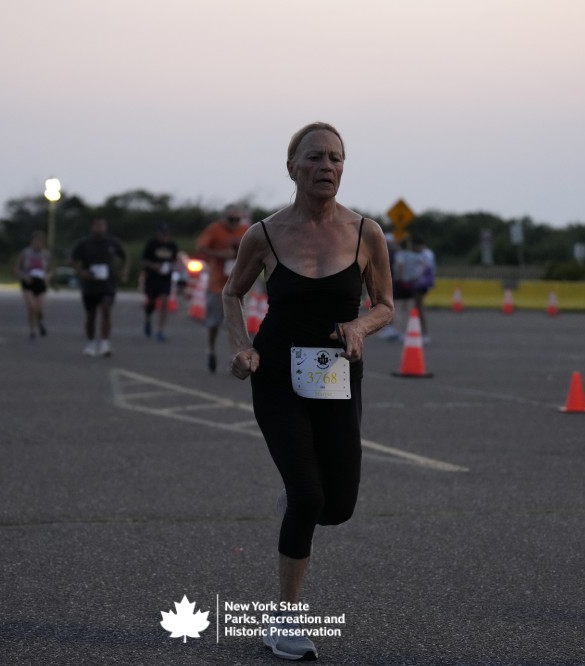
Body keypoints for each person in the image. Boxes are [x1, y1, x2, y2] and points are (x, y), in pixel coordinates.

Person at [223, 122, 393, 661]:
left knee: (337, 505)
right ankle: (284, 619)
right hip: (277, 373)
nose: (327, 167)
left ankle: (300, 498)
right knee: (308, 495)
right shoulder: (265, 234)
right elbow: (232, 293)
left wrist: (360, 326)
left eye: (336, 158)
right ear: (292, 166)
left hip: (337, 375)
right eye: (315, 157)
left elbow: (386, 305)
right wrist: (243, 348)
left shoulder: (366, 232)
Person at [197, 204, 249, 372]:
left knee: (235, 323)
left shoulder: (245, 230)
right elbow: (201, 248)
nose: (234, 223)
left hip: (238, 284)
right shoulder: (214, 229)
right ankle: (211, 350)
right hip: (217, 285)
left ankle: (234, 356)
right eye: (231, 219)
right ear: (224, 218)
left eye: (237, 219)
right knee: (213, 322)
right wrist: (220, 254)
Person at [71, 218, 128, 357]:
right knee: (91, 315)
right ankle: (90, 343)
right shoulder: (84, 244)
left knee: (106, 309)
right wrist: (82, 272)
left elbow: (125, 256)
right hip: (90, 284)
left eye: (102, 225)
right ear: (92, 227)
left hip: (107, 284)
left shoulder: (112, 243)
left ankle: (105, 343)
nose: (99, 228)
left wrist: (123, 270)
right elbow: (72, 260)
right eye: (97, 225)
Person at [140, 223, 179, 342]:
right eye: (162, 233)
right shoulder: (152, 244)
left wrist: (174, 267)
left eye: (166, 233)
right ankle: (148, 318)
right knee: (151, 301)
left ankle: (161, 330)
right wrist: (153, 266)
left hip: (165, 279)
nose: (164, 236)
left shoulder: (172, 246)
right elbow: (144, 260)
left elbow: (176, 261)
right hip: (152, 277)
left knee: (164, 301)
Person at [14, 231, 51, 341]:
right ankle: (32, 330)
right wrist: (23, 276)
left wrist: (48, 277)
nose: (38, 244)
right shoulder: (25, 253)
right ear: (32, 242)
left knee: (40, 308)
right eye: (36, 241)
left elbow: (51, 270)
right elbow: (16, 269)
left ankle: (40, 321)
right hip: (28, 282)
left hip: (41, 282)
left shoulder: (46, 254)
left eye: (40, 242)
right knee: (32, 306)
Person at [413, 236, 436, 340]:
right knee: (417, 307)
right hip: (422, 283)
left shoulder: (424, 254)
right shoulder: (428, 253)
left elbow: (424, 268)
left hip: (421, 283)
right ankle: (421, 331)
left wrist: (414, 277)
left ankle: (424, 333)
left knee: (418, 307)